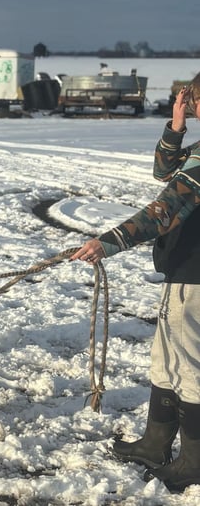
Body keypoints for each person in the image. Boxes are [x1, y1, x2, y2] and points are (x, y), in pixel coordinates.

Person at [71, 76, 200, 492]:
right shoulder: (197, 152)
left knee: (189, 368)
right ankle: (154, 444)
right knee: (167, 362)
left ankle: (194, 463)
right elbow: (164, 171)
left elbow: (165, 208)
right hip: (184, 274)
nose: (196, 107)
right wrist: (175, 126)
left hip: (194, 279)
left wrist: (108, 243)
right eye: (195, 101)